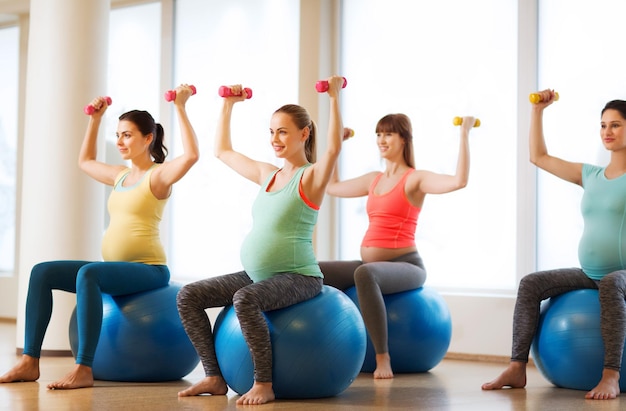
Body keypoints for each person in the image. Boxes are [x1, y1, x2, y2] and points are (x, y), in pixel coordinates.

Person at [0, 84, 199, 390]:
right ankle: (30, 361)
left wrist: (181, 108)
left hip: (150, 271)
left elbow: (192, 156)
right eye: (118, 134)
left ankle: (83, 368)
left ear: (148, 138)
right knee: (43, 272)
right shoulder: (120, 175)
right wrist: (95, 120)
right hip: (118, 269)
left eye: (127, 134)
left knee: (89, 274)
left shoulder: (158, 176)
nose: (120, 141)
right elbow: (85, 161)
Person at [176, 76, 345, 405]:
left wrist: (335, 98)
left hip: (299, 277)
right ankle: (213, 376)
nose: (275, 139)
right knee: (189, 296)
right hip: (259, 275)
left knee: (244, 299)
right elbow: (222, 151)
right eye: (271, 131)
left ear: (304, 133)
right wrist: (228, 106)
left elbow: (334, 148)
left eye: (282, 131)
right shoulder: (268, 174)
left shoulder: (309, 177)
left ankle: (263, 383)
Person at [482, 90, 626, 401]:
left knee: (613, 282)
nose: (607, 132)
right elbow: (539, 157)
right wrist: (538, 112)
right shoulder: (591, 175)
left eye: (616, 125)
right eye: (603, 125)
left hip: (622, 276)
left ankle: (611, 375)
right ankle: (516, 367)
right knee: (532, 283)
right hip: (590, 273)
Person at [319, 113, 476, 379]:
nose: (382, 140)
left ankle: (382, 357)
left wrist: (464, 134)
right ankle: (326, 348)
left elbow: (458, 181)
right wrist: (337, 148)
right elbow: (332, 186)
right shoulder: (374, 180)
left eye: (388, 134)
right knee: (316, 269)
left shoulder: (415, 179)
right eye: (378, 134)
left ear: (404, 139)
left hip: (406, 265)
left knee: (364, 274)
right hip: (372, 265)